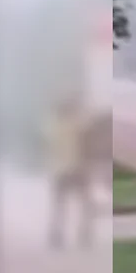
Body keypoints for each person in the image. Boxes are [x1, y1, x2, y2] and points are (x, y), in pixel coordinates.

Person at [46, 92, 95, 250]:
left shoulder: (53, 126)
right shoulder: (76, 124)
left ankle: (56, 235)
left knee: (59, 206)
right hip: (76, 169)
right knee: (85, 204)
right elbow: (87, 134)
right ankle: (84, 234)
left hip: (58, 170)